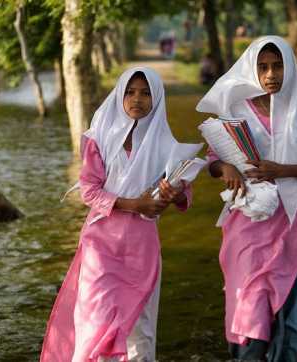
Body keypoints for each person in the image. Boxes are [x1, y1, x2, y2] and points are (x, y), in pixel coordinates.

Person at [196, 36, 297, 361]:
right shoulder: (234, 110)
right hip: (245, 223)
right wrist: (226, 168)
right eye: (263, 67)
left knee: (286, 311)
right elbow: (212, 160)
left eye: (277, 66)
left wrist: (283, 170)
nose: (271, 74)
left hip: (290, 224)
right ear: (252, 70)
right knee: (247, 301)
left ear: (288, 68)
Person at [41, 67, 193, 361]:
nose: (137, 99)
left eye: (146, 93)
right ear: (120, 95)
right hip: (100, 245)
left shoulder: (168, 146)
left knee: (141, 330)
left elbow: (186, 193)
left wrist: (176, 195)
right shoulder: (100, 139)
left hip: (142, 247)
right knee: (94, 323)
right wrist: (135, 205)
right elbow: (88, 191)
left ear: (157, 99)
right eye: (130, 92)